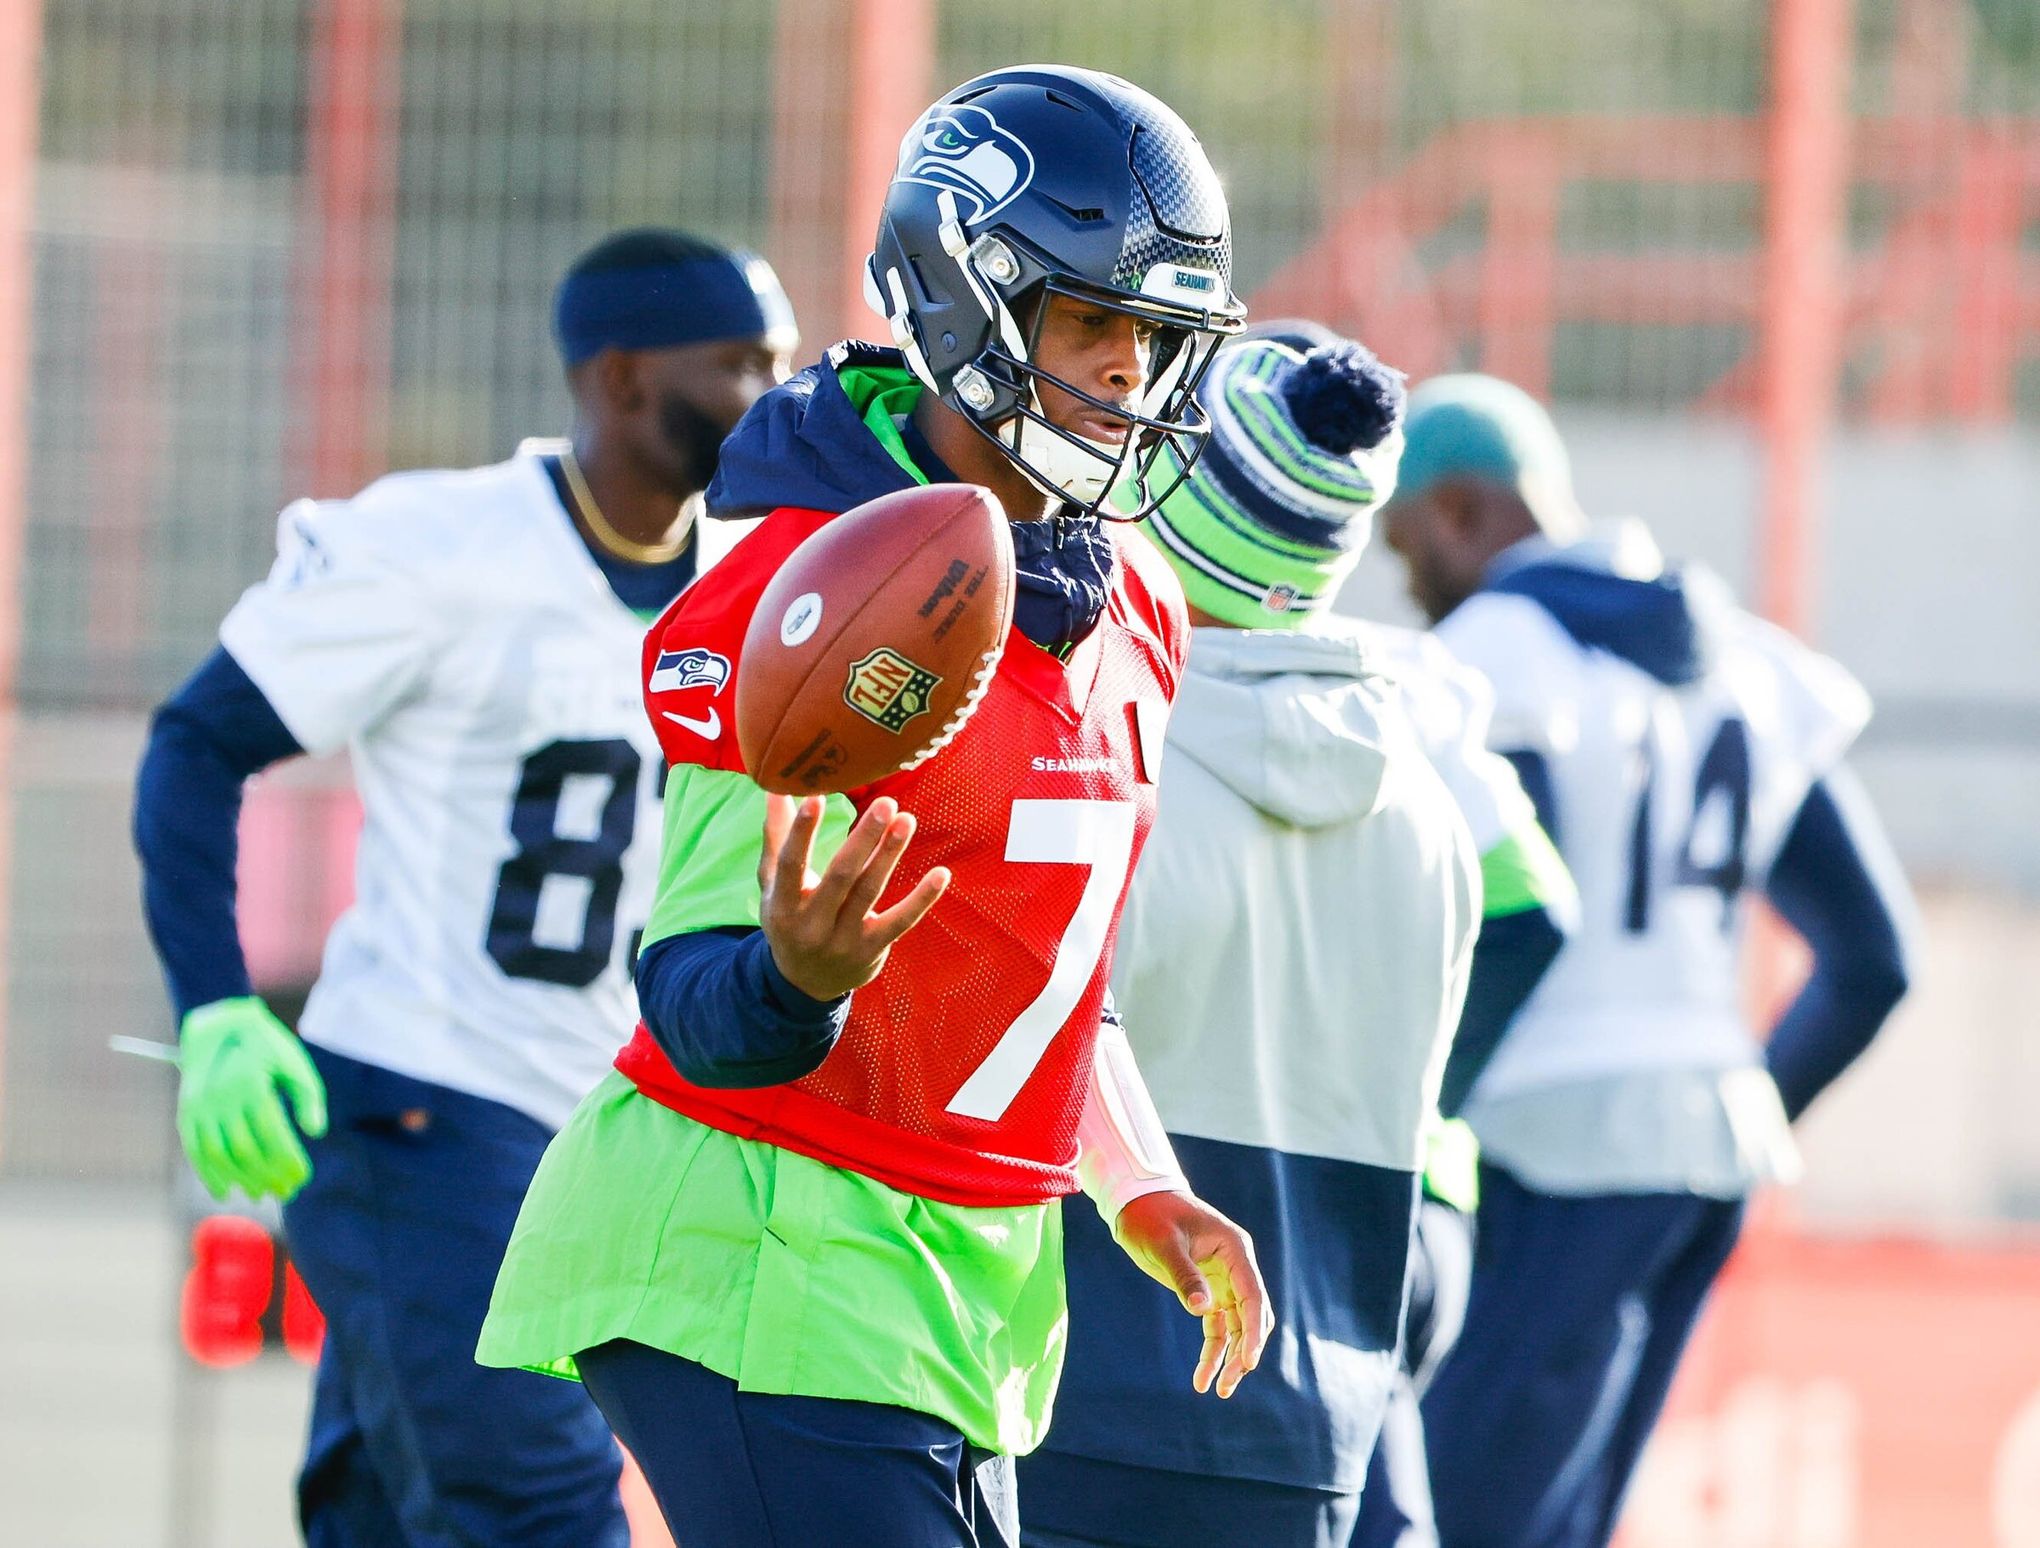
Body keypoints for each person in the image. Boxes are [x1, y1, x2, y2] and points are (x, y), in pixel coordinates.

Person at [477, 65, 1277, 1548]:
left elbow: (1039, 977)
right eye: (1092, 324)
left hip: (953, 1280)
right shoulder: (811, 593)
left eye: (1154, 338)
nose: (1126, 376)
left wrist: (1140, 1184)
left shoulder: (1138, 607)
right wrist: (797, 976)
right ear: (969, 304)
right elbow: (693, 1000)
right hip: (759, 1245)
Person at [132, 227, 797, 1547]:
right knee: (543, 1515)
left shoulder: (758, 580)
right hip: (430, 1114)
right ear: (619, 379)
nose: (768, 400)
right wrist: (214, 1005)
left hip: (610, 1130)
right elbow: (198, 741)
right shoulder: (442, 547)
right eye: (737, 365)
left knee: (380, 1513)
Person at [1016, 332, 1574, 1548]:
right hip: (1312, 1432)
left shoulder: (1107, 757)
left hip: (1079, 1408)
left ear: (1167, 494)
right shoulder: (1426, 806)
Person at [1381, 373, 1917, 1548]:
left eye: (1407, 542)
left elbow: (1514, 918)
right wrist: (1730, 1102)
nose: (1407, 580)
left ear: (1463, 515)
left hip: (1540, 1147)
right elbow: (1874, 959)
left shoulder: (1488, 656)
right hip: (1703, 1150)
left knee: (1456, 1519)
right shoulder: (1745, 657)